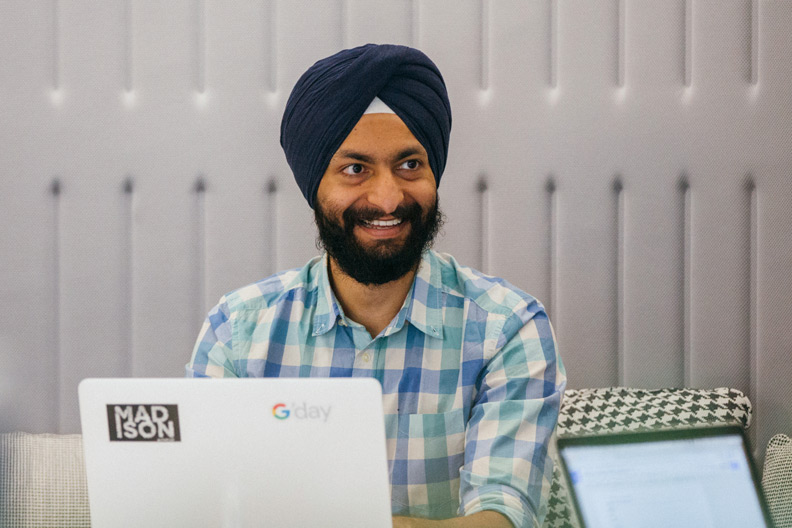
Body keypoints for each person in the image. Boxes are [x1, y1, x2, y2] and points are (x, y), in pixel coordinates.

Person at [187, 43, 565, 528]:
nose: (387, 198)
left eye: (410, 165)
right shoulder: (237, 333)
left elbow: (503, 516)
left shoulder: (507, 328)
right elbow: (207, 505)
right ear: (314, 186)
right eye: (354, 169)